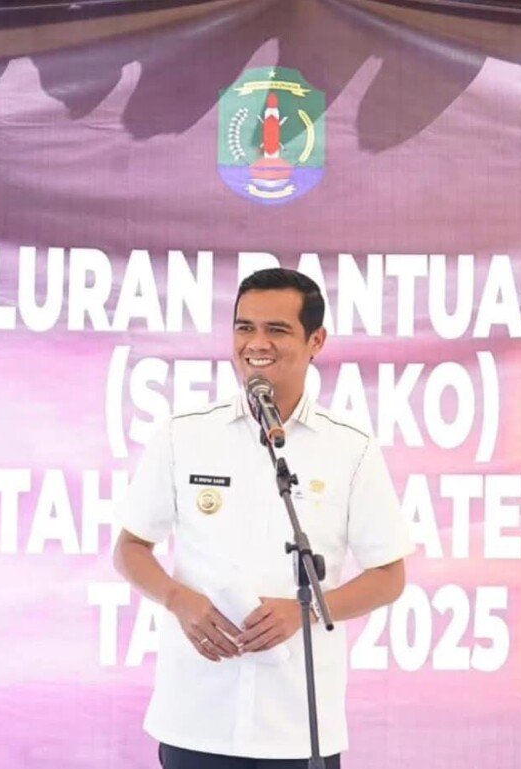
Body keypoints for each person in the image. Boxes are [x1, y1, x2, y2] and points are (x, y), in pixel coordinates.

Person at [113, 268, 413, 768]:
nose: (256, 343)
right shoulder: (184, 435)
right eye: (244, 327)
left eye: (277, 329)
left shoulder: (350, 448)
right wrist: (178, 599)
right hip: (196, 715)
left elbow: (389, 576)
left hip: (298, 726)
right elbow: (129, 548)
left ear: (316, 341)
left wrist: (306, 611)